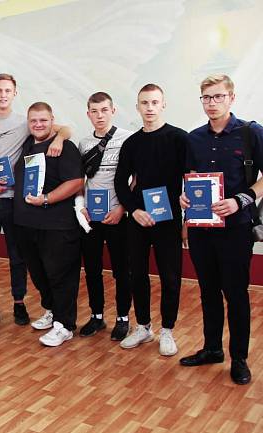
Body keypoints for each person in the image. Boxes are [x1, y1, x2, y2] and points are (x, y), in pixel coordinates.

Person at [179, 74, 263, 385]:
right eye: (206, 98)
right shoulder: (194, 138)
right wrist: (184, 199)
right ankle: (212, 348)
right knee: (208, 291)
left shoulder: (251, 133)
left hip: (236, 229)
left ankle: (239, 358)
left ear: (231, 98)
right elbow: (190, 177)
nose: (212, 103)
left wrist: (241, 200)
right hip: (202, 228)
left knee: (236, 293)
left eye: (218, 97)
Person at [0, 73, 70, 329]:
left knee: (18, 257)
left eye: (8, 90)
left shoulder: (24, 122)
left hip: (17, 201)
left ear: (15, 93)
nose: (3, 94)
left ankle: (19, 303)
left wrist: (59, 139)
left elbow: (64, 129)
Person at [114, 84, 188, 356]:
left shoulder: (179, 138)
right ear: (137, 107)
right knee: (137, 275)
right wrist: (134, 210)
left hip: (169, 220)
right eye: (144, 103)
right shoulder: (131, 143)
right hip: (139, 219)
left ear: (163, 105)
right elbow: (120, 182)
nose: (149, 108)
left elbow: (192, 178)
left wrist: (187, 217)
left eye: (154, 102)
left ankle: (167, 330)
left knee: (170, 277)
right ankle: (143, 326)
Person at [13, 102, 83, 346]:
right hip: (27, 225)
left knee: (61, 276)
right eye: (33, 120)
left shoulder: (65, 147)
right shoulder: (28, 145)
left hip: (58, 226)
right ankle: (52, 311)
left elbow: (76, 182)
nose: (38, 124)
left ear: (53, 120)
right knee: (39, 274)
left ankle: (65, 325)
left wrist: (47, 199)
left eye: (43, 120)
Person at [76, 92, 132, 340]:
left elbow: (136, 179)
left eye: (104, 110)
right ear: (88, 114)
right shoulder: (83, 143)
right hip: (92, 217)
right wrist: (81, 206)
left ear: (113, 111)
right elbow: (80, 180)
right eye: (94, 111)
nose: (100, 116)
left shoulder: (127, 139)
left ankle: (123, 318)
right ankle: (96, 316)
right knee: (92, 269)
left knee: (121, 269)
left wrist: (123, 208)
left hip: (118, 215)